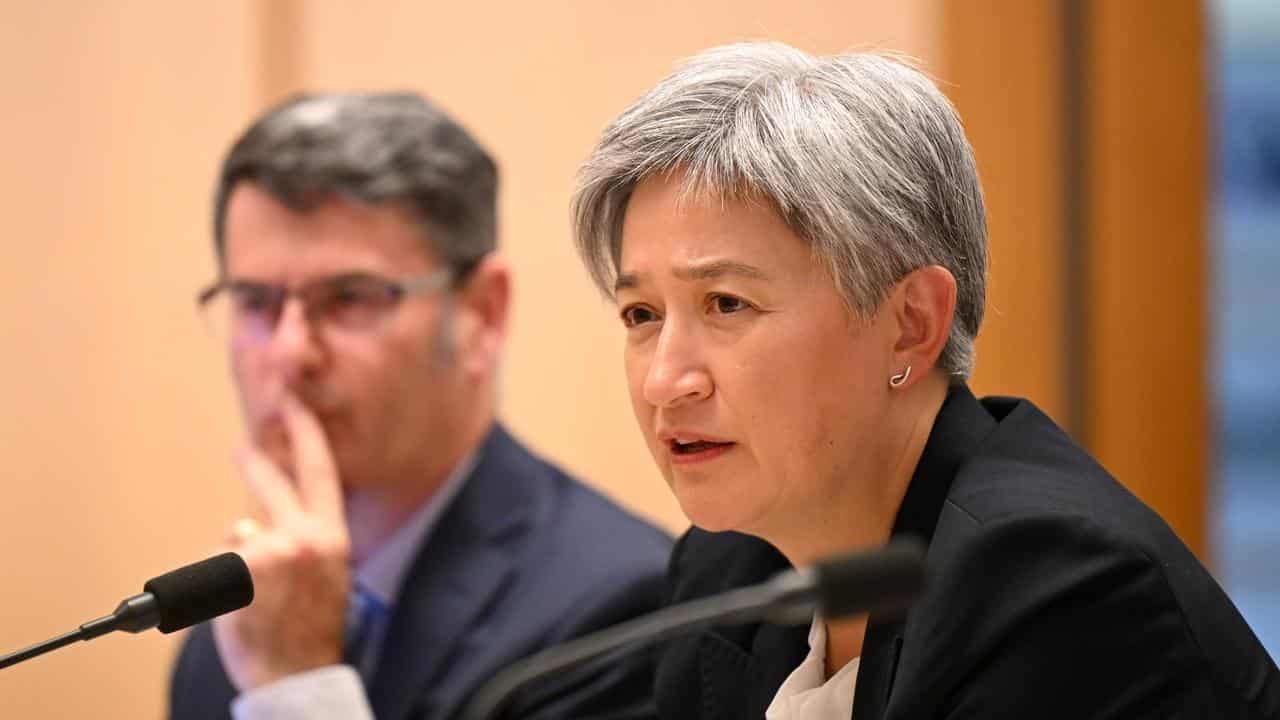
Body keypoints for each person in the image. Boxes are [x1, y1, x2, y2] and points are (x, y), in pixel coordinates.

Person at [570, 42, 1280, 719]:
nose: (666, 380)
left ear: (910, 323)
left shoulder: (1054, 589)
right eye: (641, 314)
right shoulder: (731, 572)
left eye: (727, 303)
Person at [168, 92, 672, 720]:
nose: (289, 352)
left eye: (351, 297)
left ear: (482, 313)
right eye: (255, 301)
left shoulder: (622, 614)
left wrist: (299, 691)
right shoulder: (239, 624)